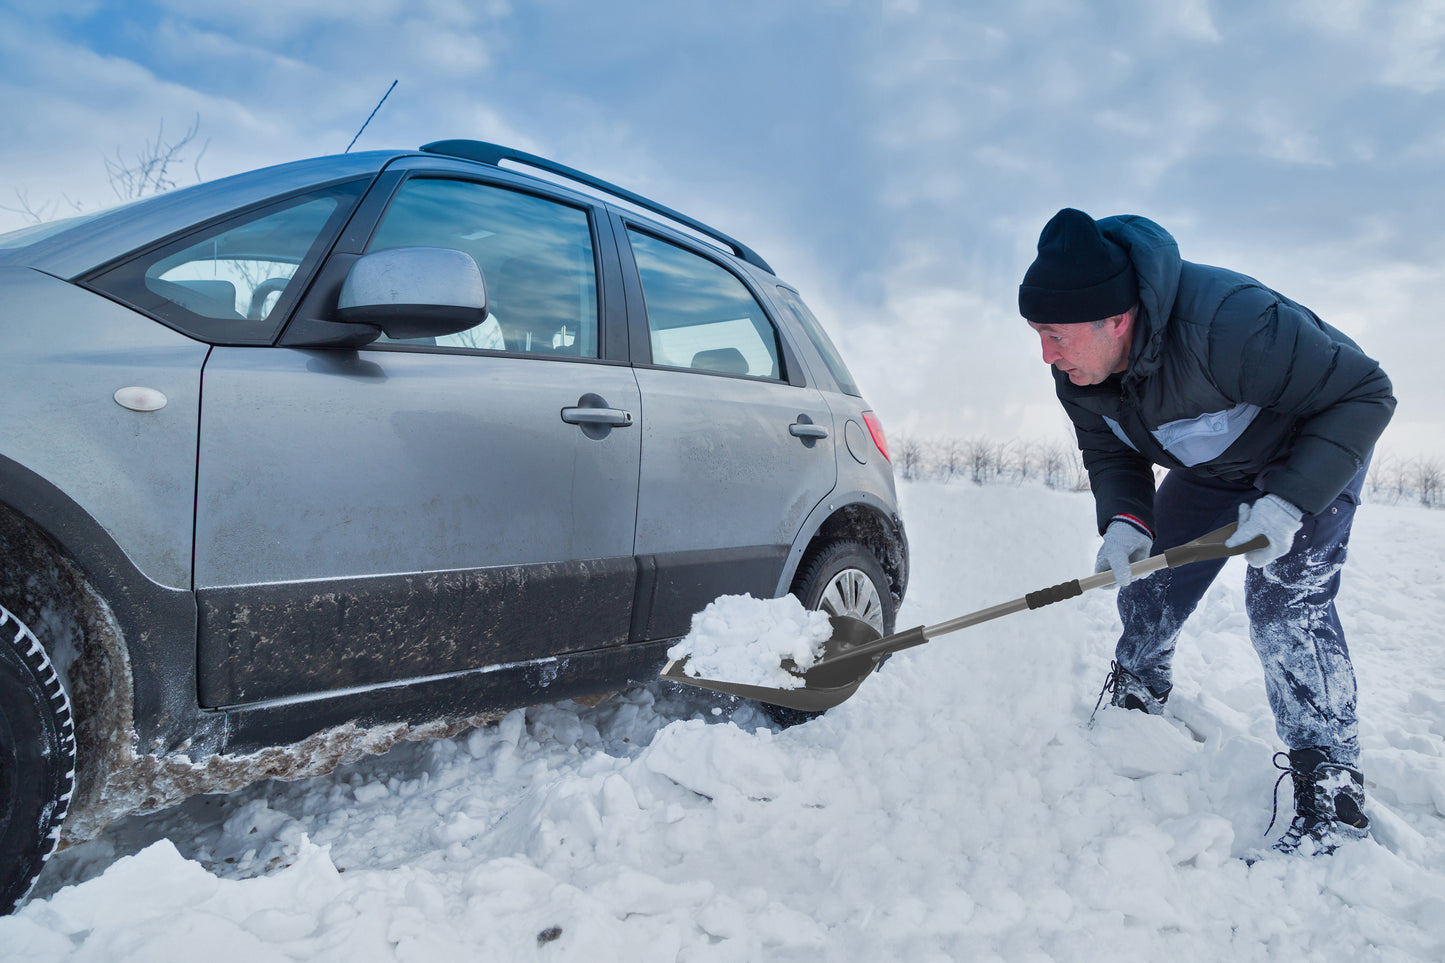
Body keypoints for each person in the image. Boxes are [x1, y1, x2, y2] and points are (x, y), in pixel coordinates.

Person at [1018, 208, 1396, 857]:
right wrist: (1124, 520)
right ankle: (1139, 686)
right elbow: (1111, 453)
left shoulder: (1229, 323)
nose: (1046, 354)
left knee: (1284, 602)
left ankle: (1330, 783)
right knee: (1149, 575)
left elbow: (1365, 392)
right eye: (1037, 334)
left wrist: (1288, 501)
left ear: (1116, 319)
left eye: (1055, 335)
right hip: (1213, 468)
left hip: (1309, 452)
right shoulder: (1076, 373)